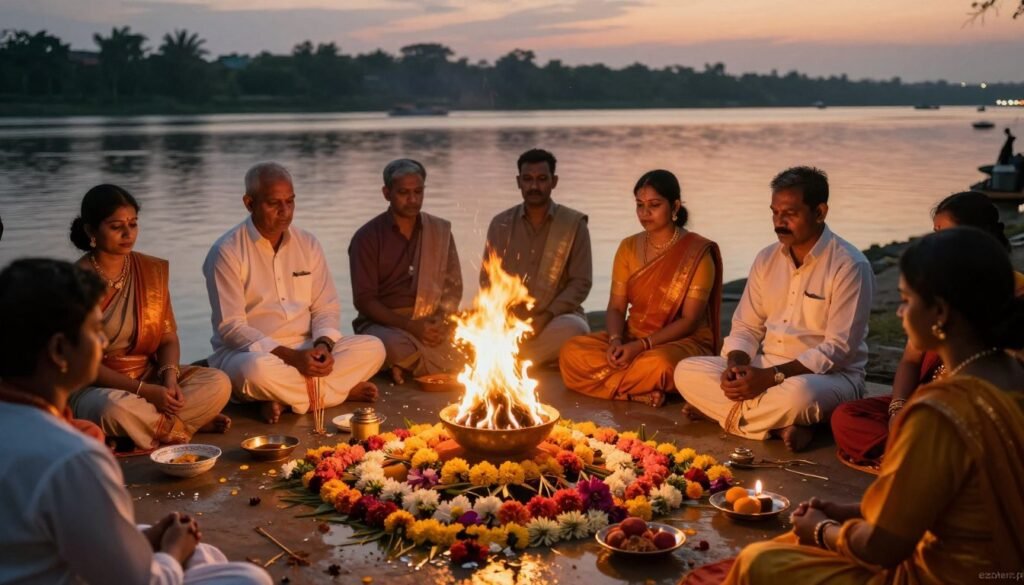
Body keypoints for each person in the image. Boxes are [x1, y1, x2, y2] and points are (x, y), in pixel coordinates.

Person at [711, 227, 1024, 585]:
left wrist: (823, 529)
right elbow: (941, 501)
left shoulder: (939, 411)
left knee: (759, 560)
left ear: (939, 312)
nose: (901, 313)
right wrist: (850, 511)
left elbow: (882, 548)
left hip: (945, 575)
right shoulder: (1014, 375)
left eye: (906, 301)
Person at [0, 258, 272, 585]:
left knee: (203, 555)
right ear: (59, 350)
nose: (102, 345)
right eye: (95, 332)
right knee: (248, 578)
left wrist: (149, 540)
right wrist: (172, 551)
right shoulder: (74, 457)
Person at [674, 167, 874, 451]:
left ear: (819, 212)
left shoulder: (850, 265)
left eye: (789, 214)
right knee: (685, 370)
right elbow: (746, 328)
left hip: (827, 378)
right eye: (774, 213)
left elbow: (837, 350)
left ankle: (721, 414)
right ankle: (783, 426)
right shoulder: (766, 259)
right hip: (763, 367)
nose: (779, 222)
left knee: (800, 396)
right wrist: (736, 367)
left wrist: (769, 378)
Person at [832, 191, 1024, 469]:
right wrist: (898, 408)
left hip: (967, 420)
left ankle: (903, 462)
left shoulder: (1007, 297)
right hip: (929, 403)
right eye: (934, 233)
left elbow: (893, 514)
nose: (900, 312)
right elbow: (911, 360)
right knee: (847, 416)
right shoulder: (940, 286)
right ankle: (907, 458)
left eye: (907, 302)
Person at [204, 162, 385, 424]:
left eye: (290, 202)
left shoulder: (308, 243)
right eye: (274, 203)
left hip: (307, 347)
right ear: (249, 203)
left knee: (373, 347)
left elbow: (326, 307)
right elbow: (231, 328)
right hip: (252, 354)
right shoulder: (227, 251)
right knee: (254, 371)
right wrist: (291, 357)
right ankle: (337, 392)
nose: (285, 212)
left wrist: (323, 347)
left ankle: (287, 399)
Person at [68, 185, 231, 452]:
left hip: (150, 375)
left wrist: (169, 380)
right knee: (113, 409)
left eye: (133, 224)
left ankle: (141, 433)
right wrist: (145, 391)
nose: (127, 233)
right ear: (90, 232)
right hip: (98, 387)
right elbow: (88, 366)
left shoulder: (149, 270)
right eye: (116, 226)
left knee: (219, 383)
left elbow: (167, 338)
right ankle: (179, 429)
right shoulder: (74, 282)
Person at [560, 170, 723, 407]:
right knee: (571, 353)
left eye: (654, 205)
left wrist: (641, 347)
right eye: (639, 205)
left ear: (675, 205)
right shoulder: (628, 247)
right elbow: (617, 306)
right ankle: (637, 392)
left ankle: (624, 387)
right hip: (632, 336)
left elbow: (689, 321)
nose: (645, 213)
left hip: (679, 343)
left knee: (661, 365)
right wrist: (616, 341)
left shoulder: (697, 253)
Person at [349, 159, 464, 385]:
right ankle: (419, 364)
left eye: (418, 192)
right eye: (403, 192)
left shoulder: (439, 231)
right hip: (385, 324)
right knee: (388, 346)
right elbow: (364, 301)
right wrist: (411, 327)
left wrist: (440, 321)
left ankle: (403, 366)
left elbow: (453, 287)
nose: (412, 200)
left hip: (432, 322)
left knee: (477, 338)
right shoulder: (367, 237)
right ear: (386, 193)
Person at [482, 148, 592, 366]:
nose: (534, 186)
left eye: (542, 179)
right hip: (508, 318)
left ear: (554, 181)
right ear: (518, 182)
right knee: (467, 328)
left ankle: (508, 361)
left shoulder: (572, 225)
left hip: (554, 320)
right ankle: (525, 359)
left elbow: (581, 283)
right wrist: (507, 315)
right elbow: (487, 280)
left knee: (574, 331)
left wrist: (546, 316)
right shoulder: (500, 224)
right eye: (527, 179)